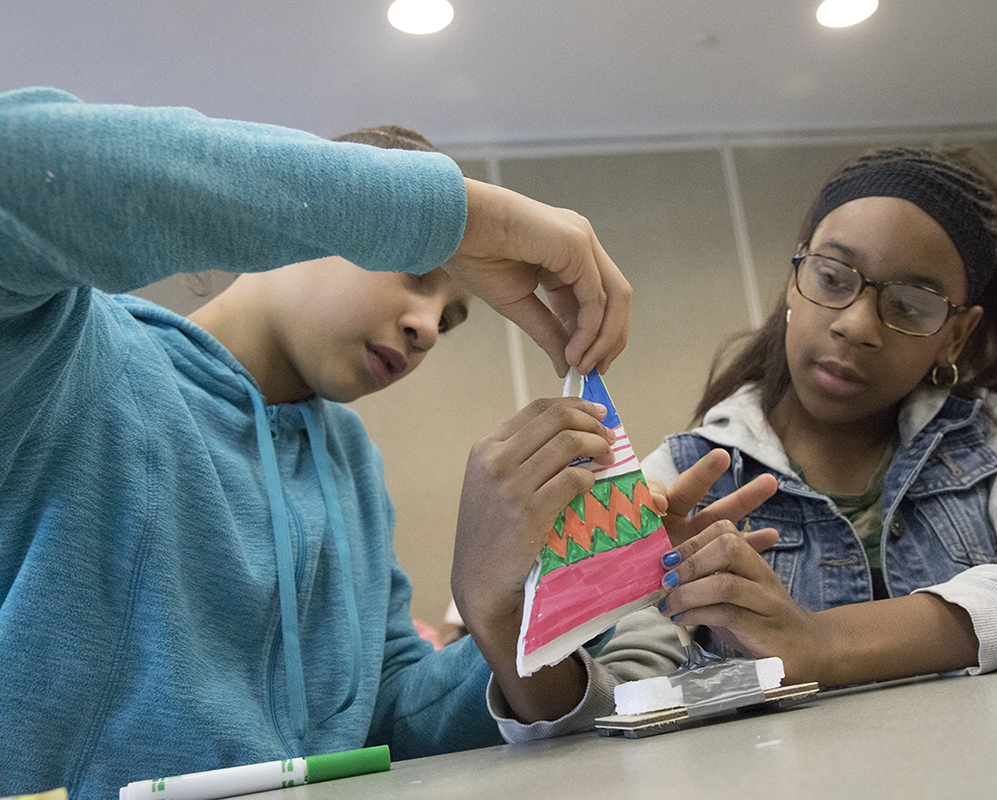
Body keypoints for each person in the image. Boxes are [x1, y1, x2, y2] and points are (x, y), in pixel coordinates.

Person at [0, 86, 638, 798]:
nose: (428, 327)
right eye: (416, 271)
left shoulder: (350, 464)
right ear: (317, 224)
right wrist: (461, 216)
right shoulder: (71, 359)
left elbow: (389, 716)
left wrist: (545, 596)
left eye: (451, 319)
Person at [629, 145, 997, 689]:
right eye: (833, 278)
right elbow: (615, 680)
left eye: (910, 305)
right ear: (795, 278)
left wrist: (827, 644)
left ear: (955, 336)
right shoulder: (687, 472)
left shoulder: (985, 439)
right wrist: (565, 589)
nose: (857, 325)